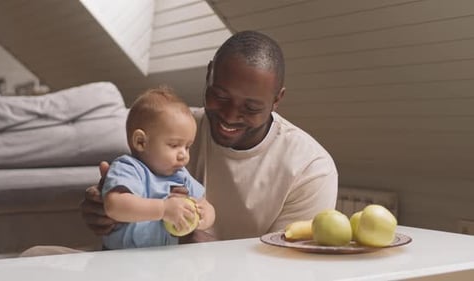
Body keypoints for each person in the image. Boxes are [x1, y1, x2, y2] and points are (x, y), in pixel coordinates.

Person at [81, 30, 338, 243]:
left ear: (277, 100)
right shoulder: (175, 130)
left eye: (251, 108)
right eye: (220, 97)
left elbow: (284, 268)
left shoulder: (311, 169)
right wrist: (105, 207)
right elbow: (127, 193)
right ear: (209, 75)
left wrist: (200, 235)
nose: (229, 116)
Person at [100, 86, 215, 249]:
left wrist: (205, 215)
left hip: (162, 260)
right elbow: (115, 206)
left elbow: (204, 202)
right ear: (141, 142)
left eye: (187, 147)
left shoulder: (180, 175)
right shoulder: (128, 168)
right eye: (174, 145)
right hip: (122, 259)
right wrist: (163, 209)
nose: (183, 154)